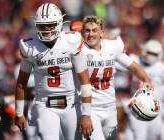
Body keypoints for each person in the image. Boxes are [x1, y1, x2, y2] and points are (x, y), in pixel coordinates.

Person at [14, 3, 93, 140]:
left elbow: (85, 81)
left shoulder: (71, 41)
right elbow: (21, 83)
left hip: (71, 103)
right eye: (42, 25)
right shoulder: (29, 46)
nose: (46, 29)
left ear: (59, 23)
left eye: (50, 24)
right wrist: (19, 113)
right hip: (45, 104)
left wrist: (86, 114)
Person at [80, 15, 152, 140]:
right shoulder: (78, 50)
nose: (90, 34)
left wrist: (146, 80)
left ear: (102, 32)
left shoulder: (112, 47)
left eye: (94, 30)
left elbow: (134, 67)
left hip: (110, 107)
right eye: (87, 30)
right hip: (90, 109)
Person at [121, 39, 164, 140]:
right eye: (148, 52)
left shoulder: (161, 68)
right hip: (137, 107)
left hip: (155, 108)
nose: (149, 55)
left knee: (153, 136)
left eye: (153, 53)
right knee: (138, 136)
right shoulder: (135, 60)